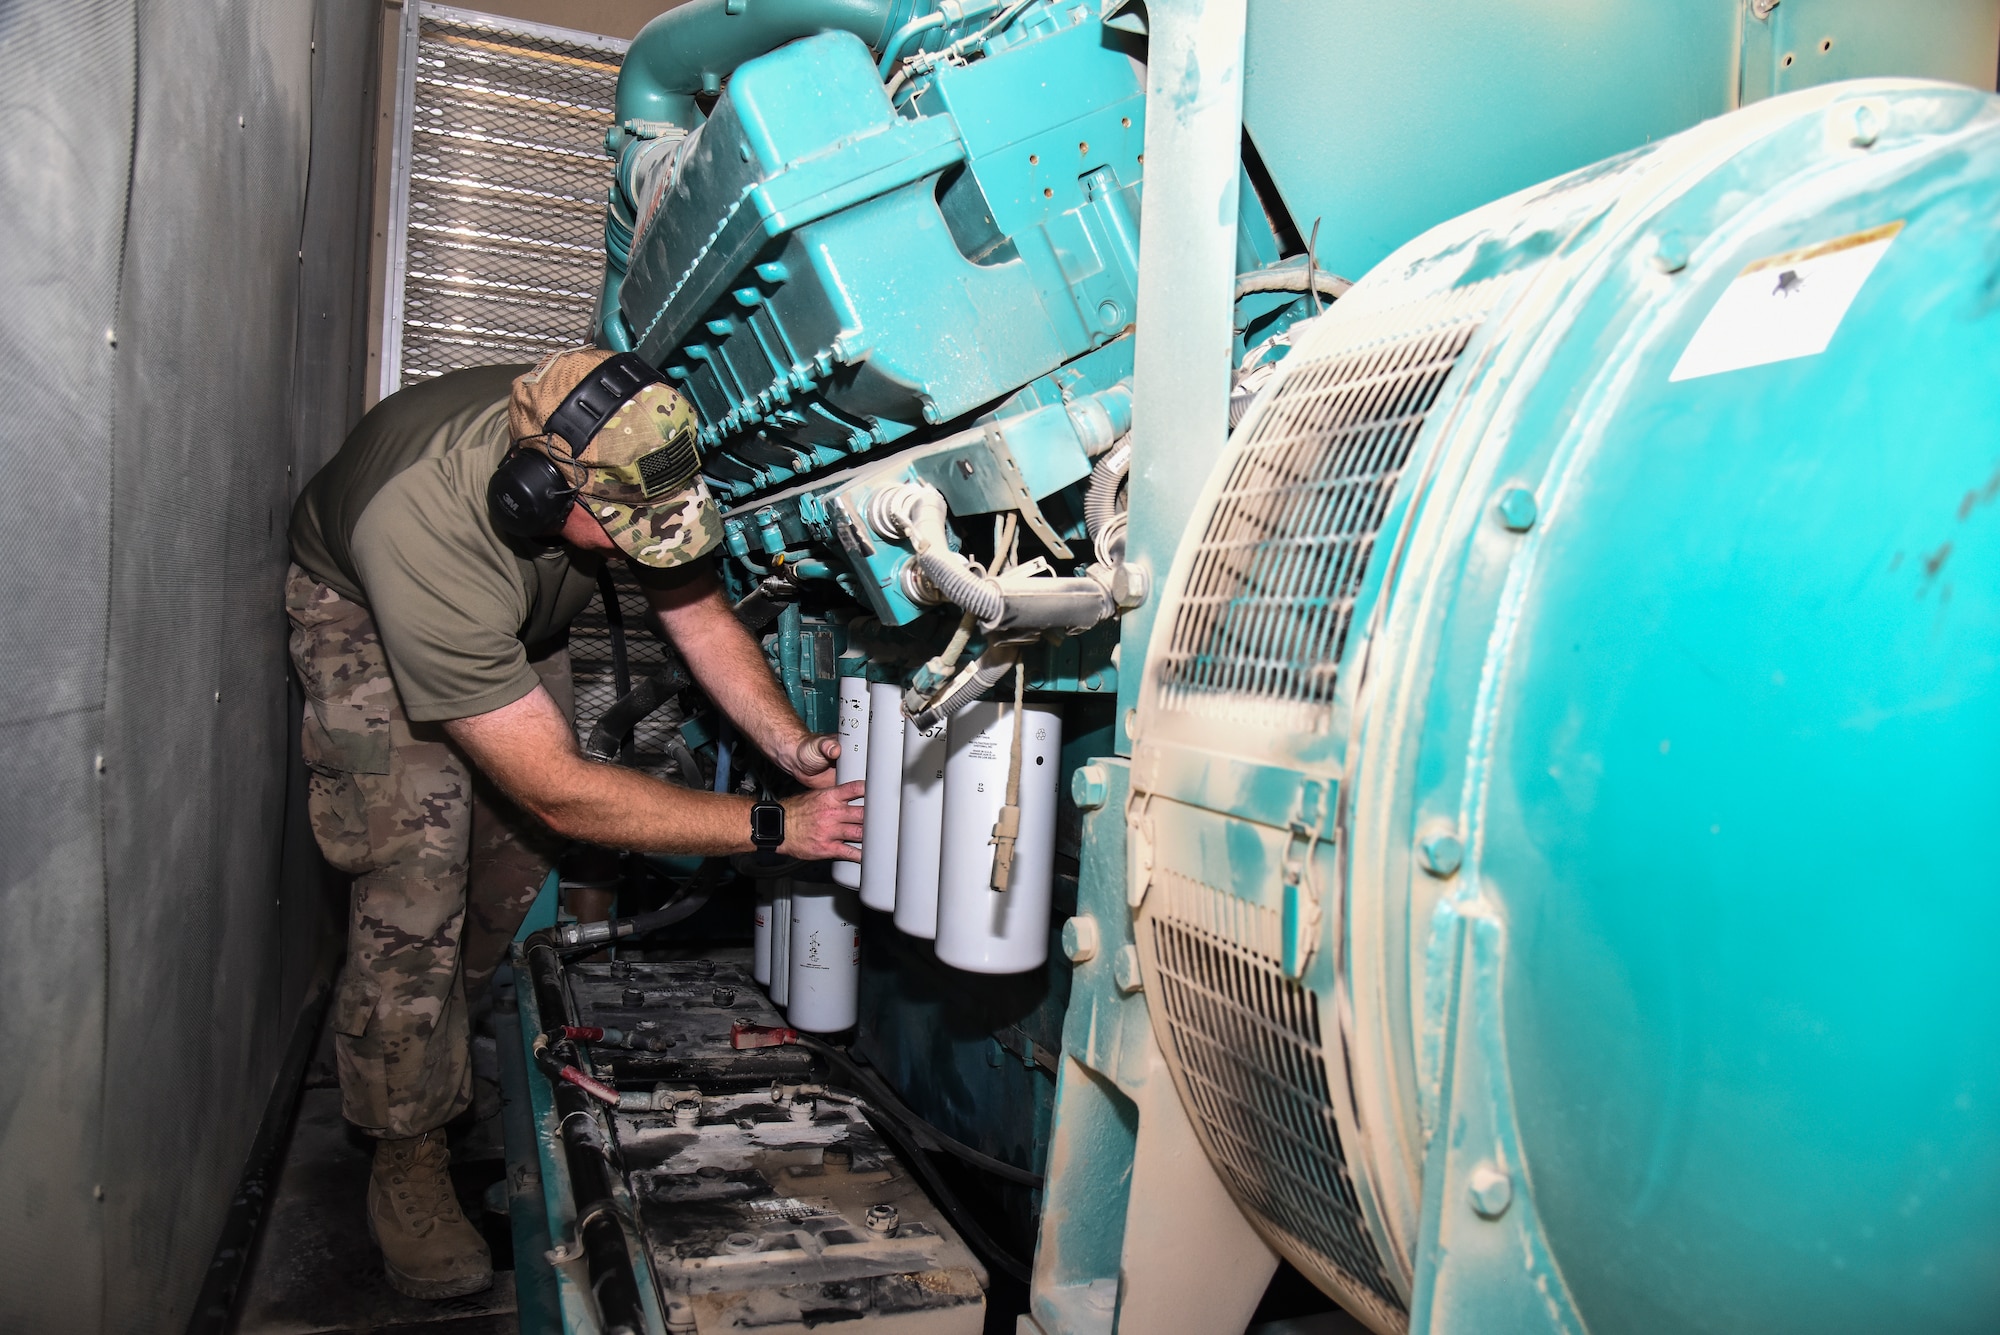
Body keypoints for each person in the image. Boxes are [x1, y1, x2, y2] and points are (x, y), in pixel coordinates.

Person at [285, 346, 864, 1299]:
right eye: (630, 529)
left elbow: (699, 611)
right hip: (374, 612)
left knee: (520, 858)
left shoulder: (626, 454)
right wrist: (775, 828)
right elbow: (559, 781)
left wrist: (793, 747)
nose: (652, 546)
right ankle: (406, 1145)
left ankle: (445, 1036)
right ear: (535, 494)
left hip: (515, 616)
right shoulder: (423, 532)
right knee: (414, 878)